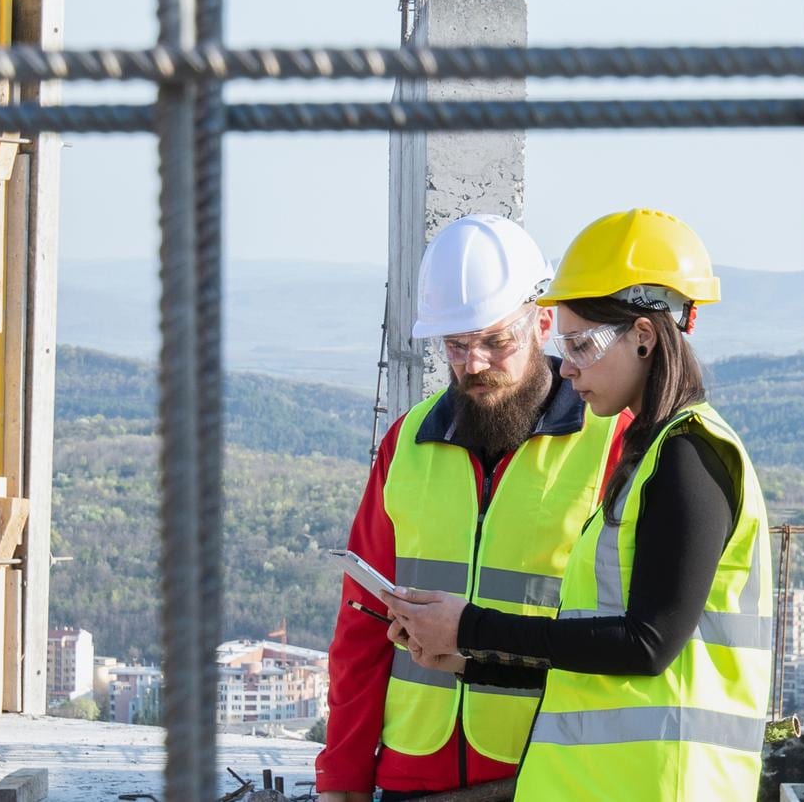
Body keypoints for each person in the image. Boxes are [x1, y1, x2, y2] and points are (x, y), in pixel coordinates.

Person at [384, 208, 773, 802]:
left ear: (643, 337)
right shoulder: (649, 455)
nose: (568, 368)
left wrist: (470, 625)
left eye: (583, 345)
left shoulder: (689, 458)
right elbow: (592, 650)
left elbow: (646, 645)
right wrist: (471, 659)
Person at [315, 214, 629, 802]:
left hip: (547, 775)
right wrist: (343, 778)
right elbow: (361, 623)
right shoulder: (406, 443)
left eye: (494, 341)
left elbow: (625, 637)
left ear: (542, 322)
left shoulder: (611, 444)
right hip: (410, 774)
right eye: (456, 345)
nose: (473, 364)